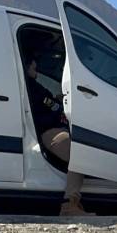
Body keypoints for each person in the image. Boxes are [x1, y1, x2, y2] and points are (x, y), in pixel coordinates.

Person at [24, 57, 87, 216]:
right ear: (28, 65)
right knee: (78, 154)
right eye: (33, 65)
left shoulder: (32, 87)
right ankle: (70, 205)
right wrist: (58, 106)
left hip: (52, 128)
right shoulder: (32, 87)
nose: (36, 68)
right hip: (49, 131)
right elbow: (48, 109)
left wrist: (56, 100)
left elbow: (50, 104)